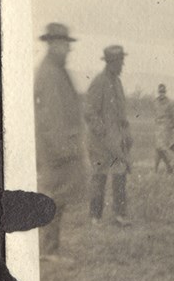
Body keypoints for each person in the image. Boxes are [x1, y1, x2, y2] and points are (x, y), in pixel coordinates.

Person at [33, 23, 84, 263]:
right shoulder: (51, 73)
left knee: (56, 196)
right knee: (54, 196)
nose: (67, 49)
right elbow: (52, 117)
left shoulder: (54, 70)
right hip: (54, 149)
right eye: (64, 44)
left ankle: (49, 249)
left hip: (54, 147)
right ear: (53, 44)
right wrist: (62, 149)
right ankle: (48, 251)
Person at [85, 45, 133, 226]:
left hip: (117, 142)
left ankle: (120, 216)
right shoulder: (99, 82)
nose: (122, 65)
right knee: (100, 178)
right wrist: (102, 132)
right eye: (120, 61)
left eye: (122, 61)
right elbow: (89, 112)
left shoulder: (117, 83)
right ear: (111, 63)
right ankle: (95, 217)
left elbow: (121, 113)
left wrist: (125, 133)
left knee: (120, 177)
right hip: (100, 144)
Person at [154, 84, 174, 173]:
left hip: (166, 127)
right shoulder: (155, 102)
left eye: (163, 92)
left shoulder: (169, 103)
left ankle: (170, 164)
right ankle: (162, 168)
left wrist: (171, 126)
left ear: (165, 92)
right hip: (158, 127)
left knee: (163, 147)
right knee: (158, 148)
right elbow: (156, 113)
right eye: (160, 92)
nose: (161, 94)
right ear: (158, 92)